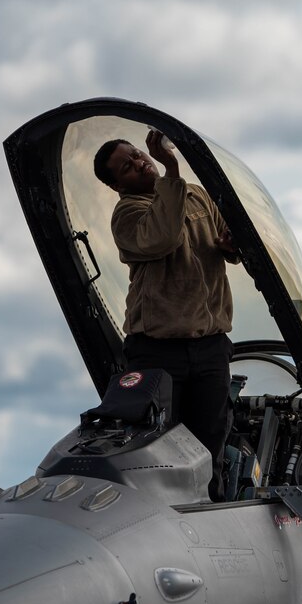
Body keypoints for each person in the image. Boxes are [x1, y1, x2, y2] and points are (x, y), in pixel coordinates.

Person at [93, 130, 239, 501]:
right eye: (127, 167)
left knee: (210, 447)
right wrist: (171, 167)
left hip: (210, 346)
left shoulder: (194, 195)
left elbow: (229, 240)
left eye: (138, 155)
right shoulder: (128, 214)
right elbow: (163, 237)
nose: (141, 162)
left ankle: (213, 514)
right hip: (158, 352)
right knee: (158, 451)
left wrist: (233, 247)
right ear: (117, 186)